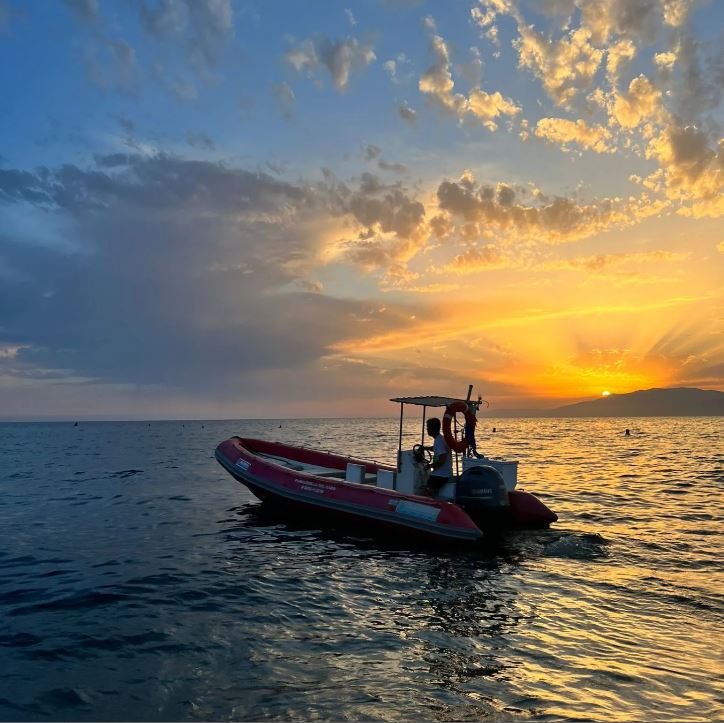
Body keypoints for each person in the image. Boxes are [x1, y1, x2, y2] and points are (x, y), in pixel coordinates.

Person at [425, 417, 452, 495]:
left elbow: (442, 460)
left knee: (426, 491)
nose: (427, 429)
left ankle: (431, 504)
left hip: (441, 474)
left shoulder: (439, 441)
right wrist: (425, 448)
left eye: (428, 427)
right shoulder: (439, 439)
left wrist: (430, 466)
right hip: (443, 473)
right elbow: (436, 449)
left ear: (434, 428)